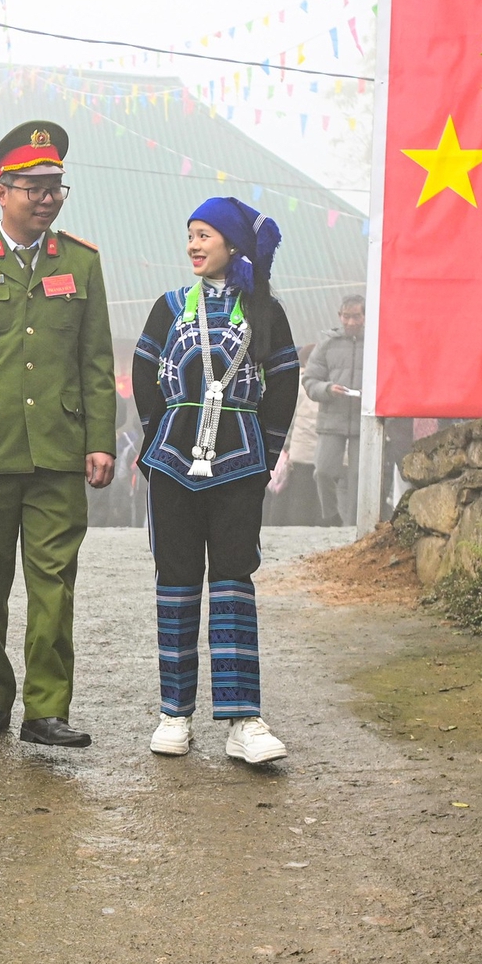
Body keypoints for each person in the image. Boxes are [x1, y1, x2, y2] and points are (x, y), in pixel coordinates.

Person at [0, 121, 116, 748]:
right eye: (33, 187)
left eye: (55, 188)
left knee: (53, 586)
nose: (46, 199)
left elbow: (96, 360)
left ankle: (46, 709)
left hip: (57, 452)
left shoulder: (81, 263)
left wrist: (101, 439)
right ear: (2, 192)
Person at [134, 197, 300, 763]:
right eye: (190, 235)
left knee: (233, 582)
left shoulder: (265, 312)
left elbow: (284, 384)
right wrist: (164, 434)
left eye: (205, 235)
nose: (195, 245)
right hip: (173, 465)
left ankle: (243, 719)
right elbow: (143, 371)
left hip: (239, 465)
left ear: (233, 245)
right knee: (176, 582)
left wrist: (266, 453)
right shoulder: (171, 306)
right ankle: (174, 713)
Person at [305, 293, 365, 528]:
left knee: (360, 477)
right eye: (347, 317)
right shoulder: (327, 344)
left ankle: (356, 524)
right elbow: (310, 380)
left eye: (356, 316)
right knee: (323, 471)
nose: (351, 322)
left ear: (365, 316)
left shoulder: (376, 343)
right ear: (340, 316)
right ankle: (332, 516)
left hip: (364, 420)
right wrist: (328, 389)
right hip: (332, 417)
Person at [263, 353, 322, 526]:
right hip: (320, 449)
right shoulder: (322, 385)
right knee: (314, 495)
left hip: (299, 449)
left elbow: (287, 418)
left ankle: (291, 526)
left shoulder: (295, 384)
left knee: (295, 494)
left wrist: (284, 445)